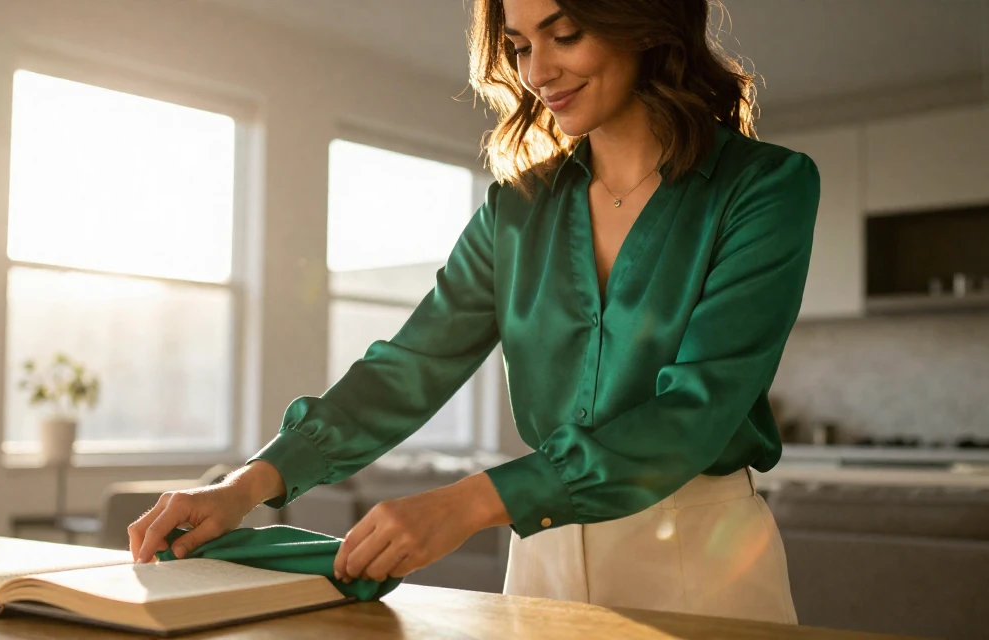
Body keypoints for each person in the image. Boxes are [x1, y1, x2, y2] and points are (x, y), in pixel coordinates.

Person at [129, 0, 818, 625]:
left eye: (565, 35)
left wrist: (467, 504)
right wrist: (244, 486)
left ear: (643, 21)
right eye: (518, 47)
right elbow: (408, 368)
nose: (537, 71)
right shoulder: (516, 212)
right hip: (542, 566)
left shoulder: (765, 188)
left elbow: (695, 412)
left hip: (702, 564)